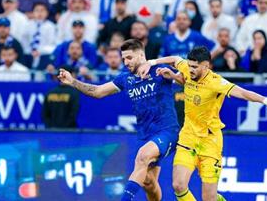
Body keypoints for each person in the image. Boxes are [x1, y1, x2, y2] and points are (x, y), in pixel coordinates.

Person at [137, 46, 267, 201]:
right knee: (178, 185)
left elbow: (243, 93)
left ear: (206, 66)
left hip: (210, 142)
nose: (190, 70)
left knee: (209, 198)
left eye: (195, 67)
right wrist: (152, 63)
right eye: (189, 66)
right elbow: (175, 59)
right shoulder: (188, 69)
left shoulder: (216, 82)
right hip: (188, 137)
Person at [58, 39, 179, 201]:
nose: (125, 62)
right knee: (149, 183)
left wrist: (154, 62)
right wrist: (72, 81)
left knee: (142, 157)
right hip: (145, 135)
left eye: (129, 58)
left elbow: (180, 61)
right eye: (123, 59)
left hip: (167, 130)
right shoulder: (125, 78)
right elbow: (97, 92)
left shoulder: (158, 70)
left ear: (141, 55)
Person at [22, 2, 56, 69]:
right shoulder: (27, 25)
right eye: (37, 10)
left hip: (44, 56)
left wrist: (40, 51)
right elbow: (24, 42)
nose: (39, 13)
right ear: (32, 12)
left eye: (42, 10)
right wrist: (30, 51)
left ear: (47, 13)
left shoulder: (51, 26)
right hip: (29, 55)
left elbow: (52, 45)